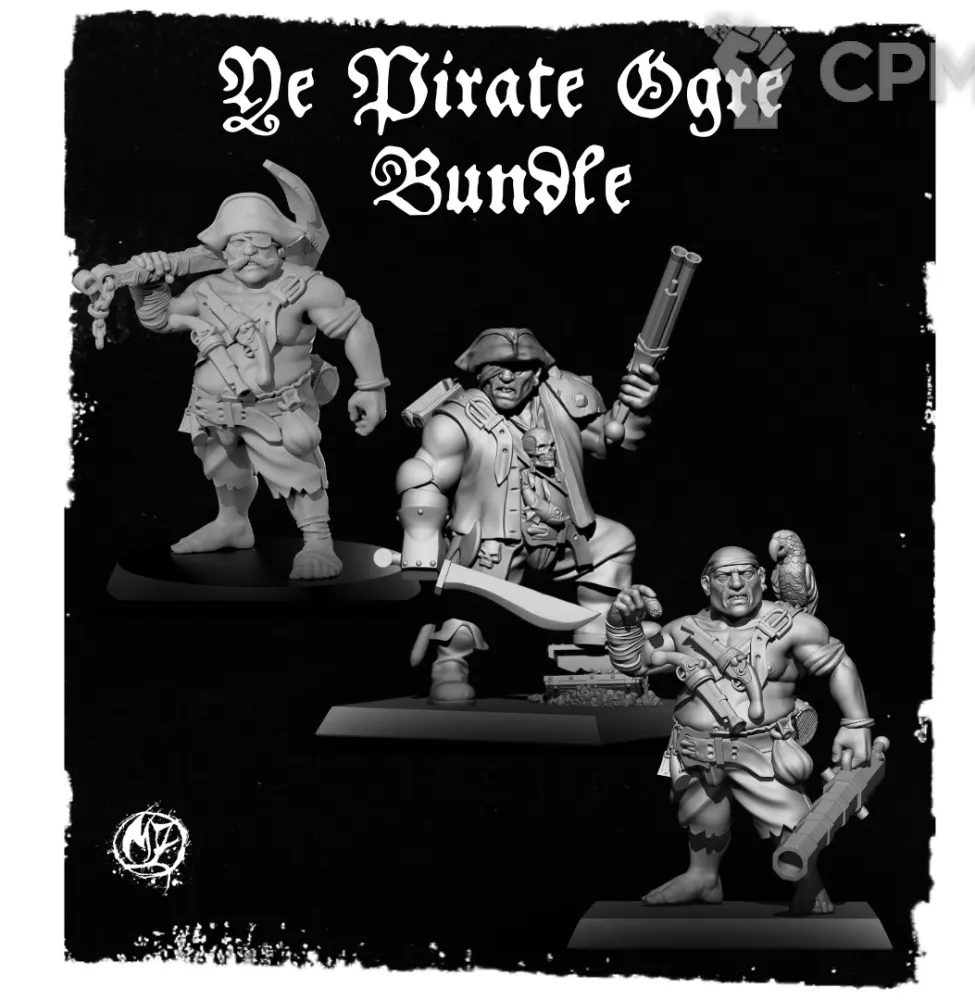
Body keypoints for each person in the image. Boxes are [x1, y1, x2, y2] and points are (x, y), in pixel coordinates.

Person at [128, 188, 388, 579]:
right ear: (222, 250)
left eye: (259, 243)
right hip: (212, 409)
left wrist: (371, 387)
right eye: (237, 244)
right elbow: (161, 320)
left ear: (281, 246)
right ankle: (232, 524)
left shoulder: (307, 287)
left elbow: (356, 328)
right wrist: (146, 284)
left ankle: (318, 542)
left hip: (278, 410)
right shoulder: (206, 289)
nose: (248, 253)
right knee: (222, 464)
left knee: (297, 471)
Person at [397, 326, 659, 705]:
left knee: (614, 542)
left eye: (518, 369)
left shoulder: (562, 400)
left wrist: (636, 405)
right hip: (493, 541)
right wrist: (422, 539)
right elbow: (425, 472)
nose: (507, 377)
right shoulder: (457, 417)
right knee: (470, 604)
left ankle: (598, 639)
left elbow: (611, 438)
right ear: (480, 371)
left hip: (563, 533)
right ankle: (450, 664)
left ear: (536, 374)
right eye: (496, 368)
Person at [605, 546, 874, 914]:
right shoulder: (684, 630)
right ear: (706, 584)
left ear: (761, 578)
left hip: (763, 752)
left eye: (745, 573)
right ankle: (703, 878)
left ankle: (809, 884)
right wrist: (622, 626)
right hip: (695, 751)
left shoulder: (793, 626)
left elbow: (839, 665)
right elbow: (636, 663)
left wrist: (856, 724)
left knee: (792, 825)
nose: (736, 584)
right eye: (723, 575)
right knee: (701, 816)